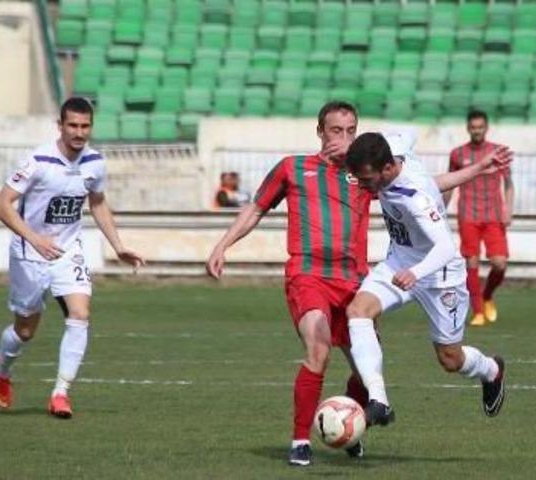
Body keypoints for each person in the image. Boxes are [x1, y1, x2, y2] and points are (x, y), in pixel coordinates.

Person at [205, 102, 511, 467]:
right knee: (319, 346)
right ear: (320, 131)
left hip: (387, 275)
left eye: (351, 131)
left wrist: (475, 171)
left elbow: (423, 190)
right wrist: (223, 245)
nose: (344, 138)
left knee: (440, 358)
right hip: (311, 274)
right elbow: (255, 208)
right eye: (337, 131)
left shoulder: (365, 175)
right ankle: (303, 439)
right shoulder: (295, 168)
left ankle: (485, 371)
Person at [343, 131, 510, 431]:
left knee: (450, 359)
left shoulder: (414, 198)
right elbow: (412, 139)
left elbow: (446, 247)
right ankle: (378, 400)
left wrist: (416, 273)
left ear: (388, 169)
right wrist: (477, 168)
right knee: (357, 312)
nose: (363, 185)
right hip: (399, 261)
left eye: (367, 179)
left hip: (438, 274)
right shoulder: (392, 148)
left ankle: (491, 370)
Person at [0, 97, 145, 419]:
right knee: (26, 330)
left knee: (80, 313)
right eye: (72, 125)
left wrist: (117, 245)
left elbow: (98, 203)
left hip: (68, 250)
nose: (79, 132)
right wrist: (35, 239)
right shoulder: (38, 160)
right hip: (29, 253)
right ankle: (1, 366)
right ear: (59, 126)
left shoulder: (95, 163)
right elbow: (1, 204)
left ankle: (60, 393)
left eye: (85, 126)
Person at [444, 110, 514, 327]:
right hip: (468, 215)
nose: (477, 131)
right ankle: (478, 312)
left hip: (493, 216)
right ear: (468, 128)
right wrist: (441, 211)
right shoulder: (457, 154)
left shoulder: (497, 152)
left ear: (486, 127)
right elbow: (449, 182)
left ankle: (487, 295)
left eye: (480, 127)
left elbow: (509, 184)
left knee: (500, 264)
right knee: (471, 262)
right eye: (473, 127)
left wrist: (508, 209)